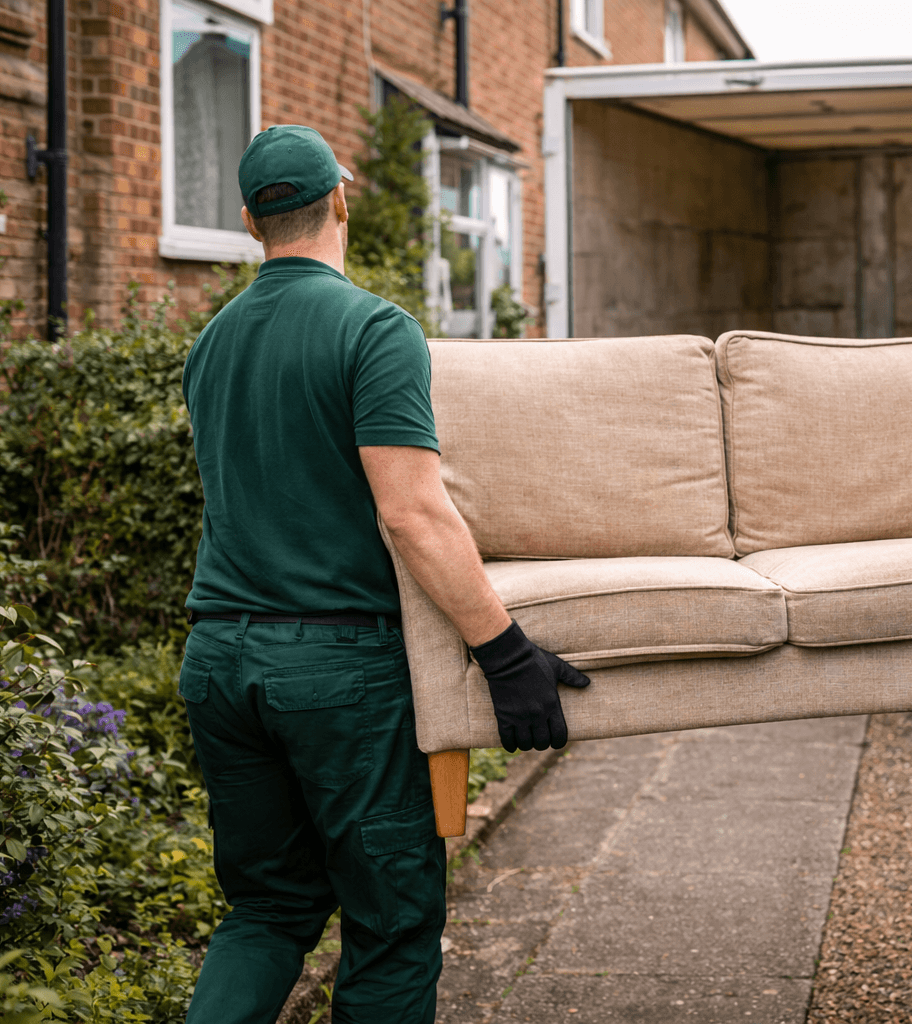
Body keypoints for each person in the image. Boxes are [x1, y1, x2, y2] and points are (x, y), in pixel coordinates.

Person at [179, 124, 590, 1024]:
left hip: (219, 663)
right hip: (337, 679)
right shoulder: (375, 329)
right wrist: (504, 651)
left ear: (252, 221)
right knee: (392, 922)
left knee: (268, 907)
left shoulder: (209, 343)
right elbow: (412, 511)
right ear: (340, 199)